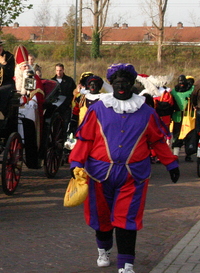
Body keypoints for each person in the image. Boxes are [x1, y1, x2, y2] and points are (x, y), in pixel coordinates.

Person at [69, 63, 179, 273]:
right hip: (100, 174)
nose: (121, 86)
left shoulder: (146, 112)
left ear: (132, 84)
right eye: (117, 82)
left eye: (125, 82)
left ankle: (126, 264)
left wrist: (171, 163)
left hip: (133, 176)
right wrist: (76, 163)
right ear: (111, 84)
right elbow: (85, 139)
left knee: (127, 219)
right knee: (101, 218)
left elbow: (157, 141)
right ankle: (104, 249)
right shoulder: (98, 109)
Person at [170, 75, 195, 160]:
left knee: (189, 135)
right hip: (177, 116)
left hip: (189, 116)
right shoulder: (174, 91)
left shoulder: (192, 89)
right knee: (177, 136)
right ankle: (176, 154)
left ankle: (188, 154)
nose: (181, 84)